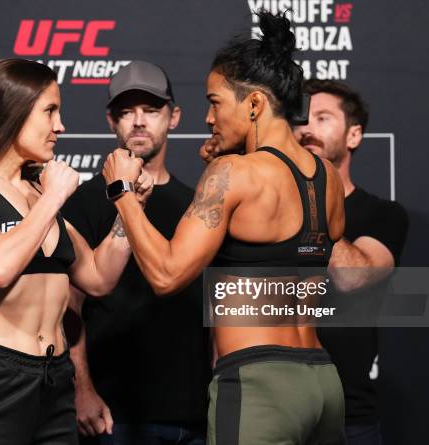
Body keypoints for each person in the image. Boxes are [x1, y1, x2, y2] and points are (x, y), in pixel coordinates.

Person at [102, 11, 347, 445]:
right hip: (322, 383)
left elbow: (166, 274)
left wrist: (122, 192)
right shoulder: (326, 177)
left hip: (259, 387)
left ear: (253, 104)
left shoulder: (233, 173)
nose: (210, 119)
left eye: (215, 103)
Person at [0, 59, 152, 445]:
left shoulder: (36, 192)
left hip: (56, 382)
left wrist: (132, 207)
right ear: (13, 110)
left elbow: (99, 278)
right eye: (49, 111)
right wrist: (54, 198)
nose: (60, 126)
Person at [61, 61, 211, 444]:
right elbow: (69, 307)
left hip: (191, 410)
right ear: (111, 120)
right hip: (113, 412)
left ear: (173, 117)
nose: (139, 121)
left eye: (151, 110)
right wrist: (82, 389)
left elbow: (215, 304)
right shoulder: (82, 202)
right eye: (127, 112)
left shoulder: (197, 204)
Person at [293, 79, 409, 445]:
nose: (308, 129)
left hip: (347, 414)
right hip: (272, 408)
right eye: (301, 120)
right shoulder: (263, 212)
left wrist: (310, 200)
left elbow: (352, 276)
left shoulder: (383, 215)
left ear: (354, 135)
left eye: (323, 118)